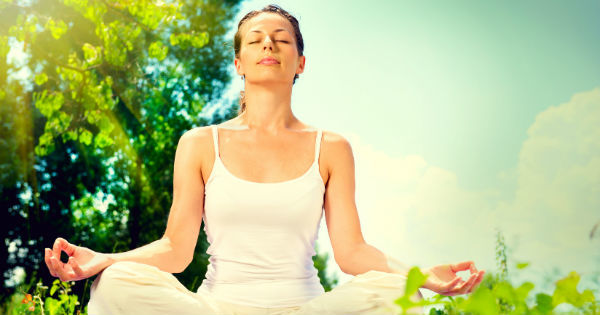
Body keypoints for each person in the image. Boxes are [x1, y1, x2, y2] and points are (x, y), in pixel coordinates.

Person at [43, 4, 485, 315]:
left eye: (281, 40)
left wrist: (421, 276)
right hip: (216, 307)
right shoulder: (199, 143)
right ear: (239, 62)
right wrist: (103, 259)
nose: (268, 45)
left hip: (308, 307)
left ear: (301, 62)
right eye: (255, 40)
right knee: (117, 284)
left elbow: (352, 253)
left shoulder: (330, 147)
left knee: (394, 294)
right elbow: (175, 251)